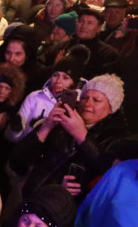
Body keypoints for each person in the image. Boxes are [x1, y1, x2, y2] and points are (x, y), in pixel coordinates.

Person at [9, 74, 127, 205]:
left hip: (65, 211)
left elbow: (107, 176)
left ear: (111, 107)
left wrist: (82, 136)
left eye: (96, 100)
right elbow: (18, 161)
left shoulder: (116, 138)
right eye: (85, 97)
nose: (88, 103)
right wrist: (47, 126)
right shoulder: (61, 121)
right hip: (31, 197)